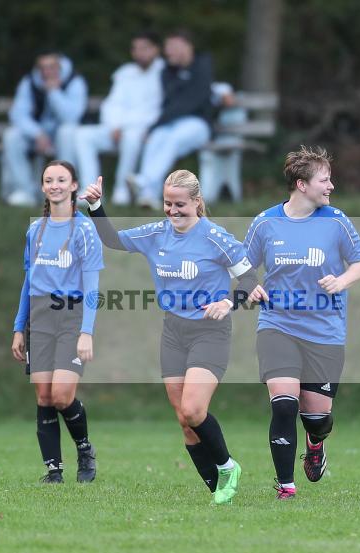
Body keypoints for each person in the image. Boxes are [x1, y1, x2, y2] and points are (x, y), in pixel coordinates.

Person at [80, 170, 256, 505]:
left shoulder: (215, 238)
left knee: (193, 409)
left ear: (196, 202)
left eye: (180, 204)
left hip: (210, 332)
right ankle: (218, 492)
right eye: (167, 203)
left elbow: (249, 278)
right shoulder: (155, 234)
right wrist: (96, 206)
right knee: (184, 421)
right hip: (174, 332)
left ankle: (228, 466)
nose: (173, 211)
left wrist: (227, 303)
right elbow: (113, 239)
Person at [243, 146, 360, 500]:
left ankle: (316, 444)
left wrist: (341, 281)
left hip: (324, 331)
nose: (331, 186)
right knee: (284, 404)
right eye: (324, 180)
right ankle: (286, 486)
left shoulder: (336, 221)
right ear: (302, 184)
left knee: (317, 420)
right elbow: (243, 266)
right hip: (277, 326)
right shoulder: (265, 223)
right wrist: (249, 286)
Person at [11, 160, 104, 483]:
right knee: (44, 396)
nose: (55, 185)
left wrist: (86, 332)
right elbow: (29, 281)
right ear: (42, 187)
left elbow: (92, 286)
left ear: (74, 186)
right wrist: (19, 327)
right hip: (40, 318)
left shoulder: (84, 229)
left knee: (62, 395)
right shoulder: (35, 230)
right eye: (49, 180)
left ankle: (85, 449)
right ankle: (54, 470)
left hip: (71, 317)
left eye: (62, 180)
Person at [71, 32, 164, 206]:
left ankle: (122, 190)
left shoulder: (164, 74)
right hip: (116, 129)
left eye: (144, 48)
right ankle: (92, 191)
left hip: (144, 132)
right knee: (83, 135)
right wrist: (115, 125)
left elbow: (155, 111)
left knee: (131, 137)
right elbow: (112, 104)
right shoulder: (125, 73)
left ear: (156, 49)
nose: (139, 53)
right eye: (135, 49)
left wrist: (123, 126)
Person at [126, 30, 213, 209]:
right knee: (156, 138)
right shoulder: (167, 71)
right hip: (172, 123)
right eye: (167, 47)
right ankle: (148, 196)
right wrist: (153, 129)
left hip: (198, 125)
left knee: (172, 139)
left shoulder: (202, 64)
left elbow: (190, 103)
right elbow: (170, 104)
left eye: (173, 46)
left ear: (187, 47)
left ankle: (144, 180)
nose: (168, 51)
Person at [1, 52, 88, 207]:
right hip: (37, 136)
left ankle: (64, 192)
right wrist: (37, 134)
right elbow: (18, 114)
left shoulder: (75, 82)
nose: (47, 72)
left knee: (67, 132)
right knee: (11, 136)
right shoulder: (29, 82)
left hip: (62, 138)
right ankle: (24, 191)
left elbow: (72, 117)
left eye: (52, 67)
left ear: (59, 68)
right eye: (43, 68)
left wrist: (54, 92)